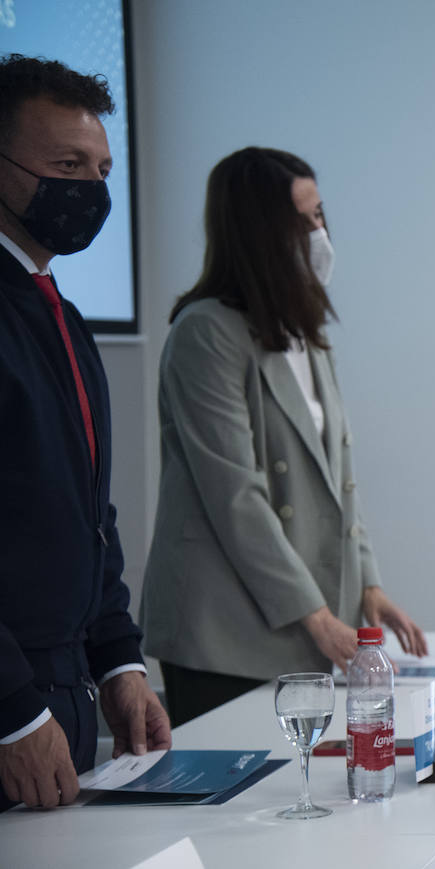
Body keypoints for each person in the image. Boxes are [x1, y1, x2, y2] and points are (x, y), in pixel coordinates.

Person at [140, 147, 427, 728]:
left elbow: (337, 477)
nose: (318, 233)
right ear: (255, 232)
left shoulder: (304, 330)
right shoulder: (206, 333)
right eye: (301, 221)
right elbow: (235, 497)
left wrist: (366, 583)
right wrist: (318, 617)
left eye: (320, 214)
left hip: (301, 615)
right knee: (241, 809)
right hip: (225, 630)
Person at [0, 54, 171, 811]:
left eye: (100, 169)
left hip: (65, 703)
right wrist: (13, 710)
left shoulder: (63, 317)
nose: (89, 190)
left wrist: (119, 663)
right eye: (66, 164)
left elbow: (88, 519)